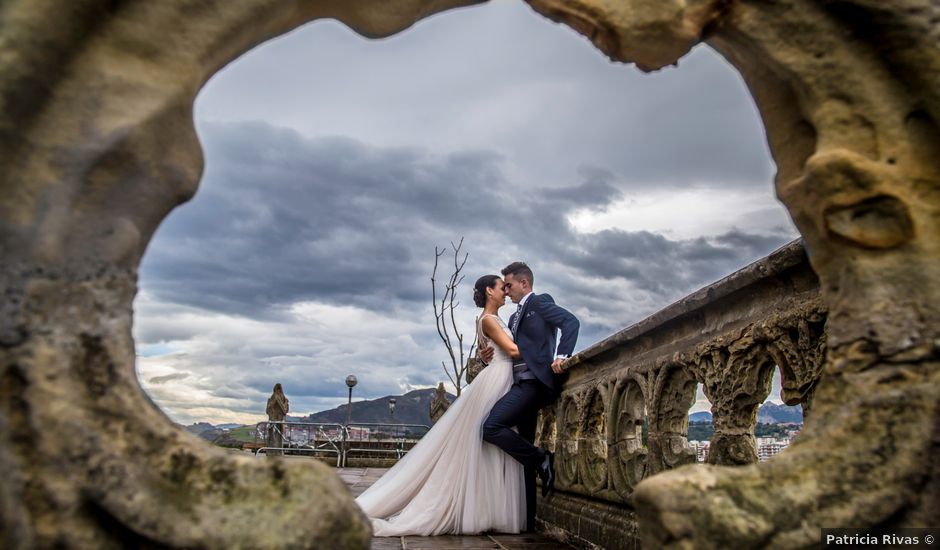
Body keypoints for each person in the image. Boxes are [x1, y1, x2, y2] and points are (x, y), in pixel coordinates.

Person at [355, 275, 527, 535]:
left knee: (486, 444)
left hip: (497, 377)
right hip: (497, 380)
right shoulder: (489, 320)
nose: (505, 291)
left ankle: (485, 508)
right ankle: (480, 509)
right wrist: (542, 351)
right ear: (489, 291)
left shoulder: (483, 320)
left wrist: (483, 355)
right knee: (487, 439)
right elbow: (513, 351)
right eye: (501, 287)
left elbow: (485, 354)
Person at [478, 261, 579, 531]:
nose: (507, 291)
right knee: (520, 450)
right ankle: (527, 519)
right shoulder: (511, 318)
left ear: (524, 283)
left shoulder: (540, 303)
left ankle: (540, 458)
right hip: (516, 382)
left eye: (509, 285)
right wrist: (485, 353)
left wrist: (562, 356)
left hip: (533, 383)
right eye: (504, 286)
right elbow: (505, 347)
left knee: (491, 426)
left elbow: (570, 322)